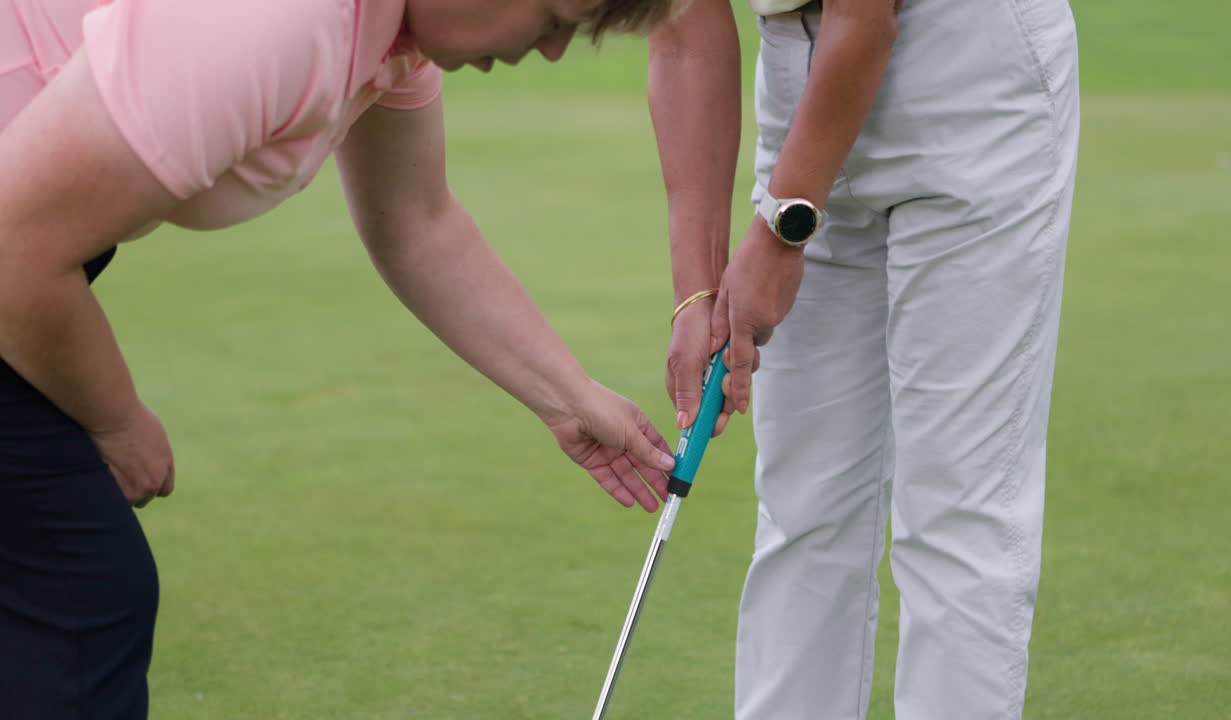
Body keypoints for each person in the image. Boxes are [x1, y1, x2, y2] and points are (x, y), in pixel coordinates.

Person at [0, 0, 685, 717]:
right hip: (21, 259)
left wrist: (568, 397)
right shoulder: (281, 20)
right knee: (79, 593)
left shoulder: (395, 41)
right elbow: (14, 248)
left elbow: (416, 222)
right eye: (552, 18)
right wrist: (117, 423)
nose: (549, 52)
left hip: (33, 259)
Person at [649, 0, 1079, 718]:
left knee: (954, 509)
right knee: (802, 506)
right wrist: (698, 293)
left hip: (966, 68)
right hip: (796, 73)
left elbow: (865, 13)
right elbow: (685, 33)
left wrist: (784, 229)